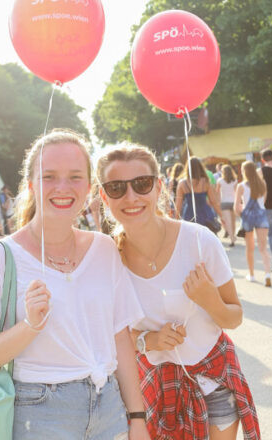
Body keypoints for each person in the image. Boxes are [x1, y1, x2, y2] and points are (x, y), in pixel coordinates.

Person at [0, 129, 151, 440]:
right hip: (40, 415)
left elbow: (120, 339)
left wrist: (137, 417)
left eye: (75, 177)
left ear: (89, 188)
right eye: (49, 176)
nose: (62, 187)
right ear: (31, 185)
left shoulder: (104, 250)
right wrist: (30, 326)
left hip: (109, 409)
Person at [97, 144, 260, 440]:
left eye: (142, 184)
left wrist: (210, 300)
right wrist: (149, 340)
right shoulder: (106, 258)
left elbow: (234, 317)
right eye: (117, 188)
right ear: (103, 196)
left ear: (159, 187)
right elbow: (109, 337)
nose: (131, 197)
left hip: (213, 382)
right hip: (151, 389)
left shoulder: (199, 241)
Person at [234, 162, 272, 286]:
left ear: (244, 171)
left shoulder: (241, 186)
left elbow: (236, 207)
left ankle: (251, 274)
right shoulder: (263, 184)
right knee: (263, 248)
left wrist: (242, 216)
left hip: (248, 217)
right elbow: (264, 202)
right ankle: (267, 274)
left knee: (249, 248)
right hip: (261, 215)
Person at [175, 156, 224, 233]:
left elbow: (178, 206)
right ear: (200, 167)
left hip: (189, 215)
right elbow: (214, 202)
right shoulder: (206, 182)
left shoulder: (182, 184)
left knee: (191, 242)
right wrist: (222, 216)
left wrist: (175, 221)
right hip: (206, 215)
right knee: (207, 241)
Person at [216, 165, 238, 246]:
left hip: (224, 202)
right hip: (233, 202)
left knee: (227, 222)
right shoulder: (235, 180)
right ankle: (233, 236)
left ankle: (232, 239)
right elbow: (236, 192)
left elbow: (217, 192)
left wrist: (218, 202)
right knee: (233, 221)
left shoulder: (220, 181)